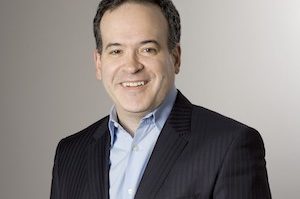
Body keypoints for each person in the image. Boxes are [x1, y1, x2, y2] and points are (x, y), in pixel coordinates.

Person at [50, 0, 272, 198]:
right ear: (99, 63)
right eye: (116, 51)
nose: (132, 66)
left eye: (148, 49)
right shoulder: (70, 154)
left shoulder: (229, 146)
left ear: (175, 58)